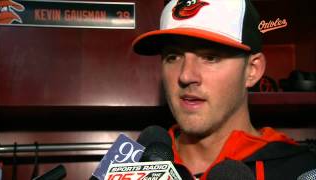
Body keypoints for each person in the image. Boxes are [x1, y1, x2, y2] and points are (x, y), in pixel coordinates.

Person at [132, 0, 316, 179]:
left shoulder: (303, 170)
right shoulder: (130, 165)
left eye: (210, 57)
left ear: (252, 70)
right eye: (173, 57)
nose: (186, 76)